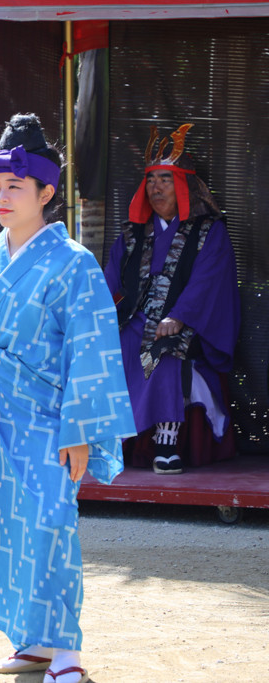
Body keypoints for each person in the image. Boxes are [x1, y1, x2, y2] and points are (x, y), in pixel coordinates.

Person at [0, 114, 135, 683]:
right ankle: (29, 640)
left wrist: (80, 428)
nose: (0, 197)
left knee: (51, 522)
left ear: (46, 192)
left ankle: (67, 651)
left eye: (14, 187)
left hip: (47, 418)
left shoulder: (74, 264)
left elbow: (92, 348)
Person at [104, 124, 239, 474]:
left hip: (186, 324)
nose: (155, 187)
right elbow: (110, 278)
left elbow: (208, 283)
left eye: (165, 179)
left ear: (182, 185)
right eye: (150, 180)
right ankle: (113, 438)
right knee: (113, 343)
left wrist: (179, 316)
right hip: (135, 316)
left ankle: (167, 443)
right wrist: (97, 312)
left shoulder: (210, 231)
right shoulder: (133, 233)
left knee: (162, 349)